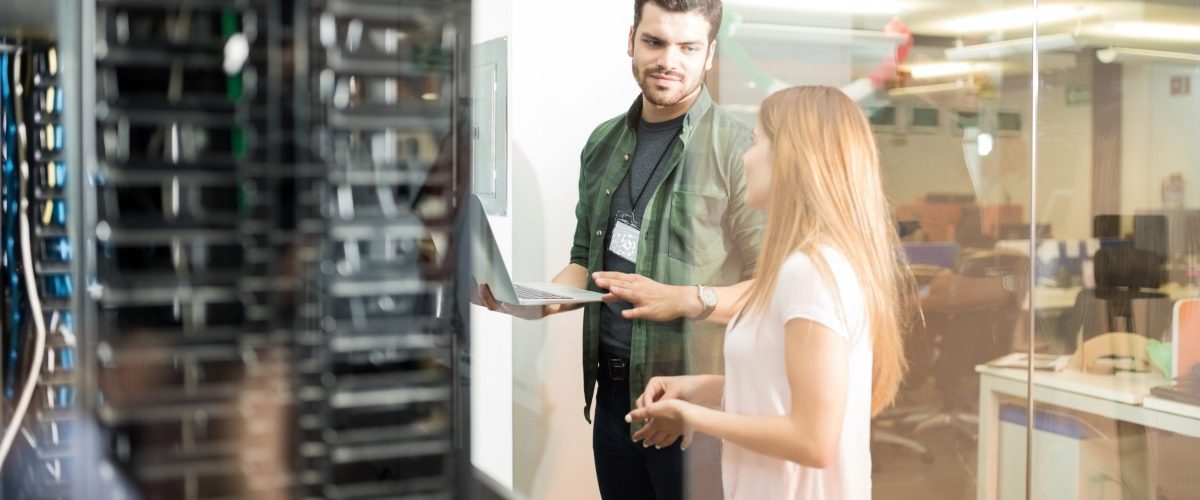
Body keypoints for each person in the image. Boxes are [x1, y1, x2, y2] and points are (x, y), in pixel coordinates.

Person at [476, 1, 765, 498]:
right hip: (612, 400)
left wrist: (687, 299)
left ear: (710, 54)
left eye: (688, 47)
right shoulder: (602, 143)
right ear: (631, 38)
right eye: (654, 42)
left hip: (695, 408)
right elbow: (585, 263)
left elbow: (771, 287)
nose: (668, 60)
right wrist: (535, 301)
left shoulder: (741, 151)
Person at [619, 86, 916, 500]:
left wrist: (693, 416)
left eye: (756, 143)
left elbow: (812, 439)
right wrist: (705, 388)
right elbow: (785, 385)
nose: (745, 158)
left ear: (791, 159)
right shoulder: (803, 265)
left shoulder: (811, 271)